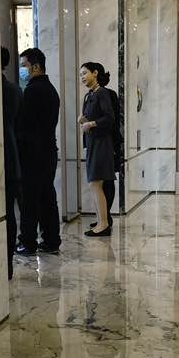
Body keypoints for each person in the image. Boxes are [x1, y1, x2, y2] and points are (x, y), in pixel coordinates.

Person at [16, 47, 62, 255]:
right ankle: (51, 240)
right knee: (47, 197)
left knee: (30, 200)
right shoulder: (51, 90)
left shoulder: (32, 91)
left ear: (35, 66)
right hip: (48, 151)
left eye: (24, 65)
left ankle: (28, 242)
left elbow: (24, 125)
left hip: (33, 154)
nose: (22, 70)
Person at [79, 62, 116, 237]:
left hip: (101, 144)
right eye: (80, 75)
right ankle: (101, 221)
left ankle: (103, 224)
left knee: (96, 183)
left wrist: (91, 123)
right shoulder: (89, 95)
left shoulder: (102, 93)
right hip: (93, 142)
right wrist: (84, 121)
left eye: (85, 73)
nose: (82, 77)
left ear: (95, 73)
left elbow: (109, 118)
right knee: (94, 184)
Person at [88, 80, 123, 228]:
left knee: (106, 181)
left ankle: (105, 218)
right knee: (101, 182)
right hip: (98, 142)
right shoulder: (91, 94)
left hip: (108, 143)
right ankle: (103, 218)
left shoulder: (106, 94)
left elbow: (112, 121)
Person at [0, 47, 22, 279]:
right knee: (9, 214)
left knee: (4, 214)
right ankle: (7, 265)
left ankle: (2, 265)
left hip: (0, 158)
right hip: (12, 157)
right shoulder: (15, 90)